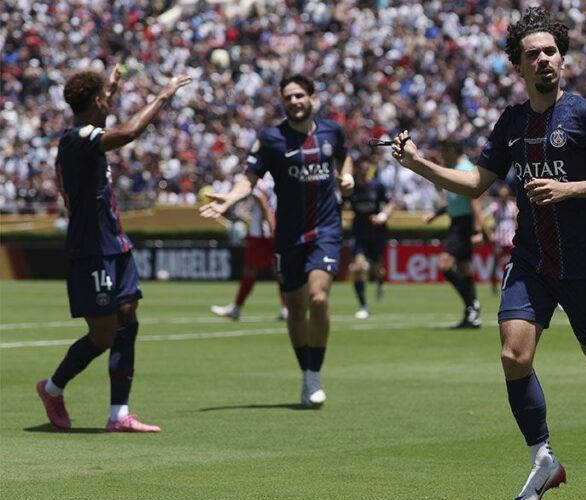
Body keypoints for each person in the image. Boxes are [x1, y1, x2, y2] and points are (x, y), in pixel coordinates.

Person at [390, 6, 586, 500]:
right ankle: (543, 458)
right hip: (531, 260)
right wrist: (419, 163)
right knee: (513, 355)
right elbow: (476, 183)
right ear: (519, 66)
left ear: (562, 59)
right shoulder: (510, 123)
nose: (544, 59)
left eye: (551, 51)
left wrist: (568, 188)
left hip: (585, 265)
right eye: (533, 54)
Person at [36, 66, 191, 432]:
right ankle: (52, 388)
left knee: (127, 316)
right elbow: (129, 132)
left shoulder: (85, 132)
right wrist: (163, 95)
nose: (109, 103)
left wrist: (111, 88)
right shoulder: (77, 139)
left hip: (115, 243)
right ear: (96, 102)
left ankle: (119, 414)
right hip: (91, 249)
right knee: (104, 334)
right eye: (105, 99)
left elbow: (101, 115)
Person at [200, 73, 354, 407]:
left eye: (300, 95)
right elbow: (249, 179)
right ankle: (305, 374)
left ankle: (315, 374)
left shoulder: (331, 131)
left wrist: (347, 175)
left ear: (312, 97)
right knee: (296, 308)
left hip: (326, 230)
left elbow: (344, 156)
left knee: (318, 298)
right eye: (288, 97)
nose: (294, 101)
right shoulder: (271, 139)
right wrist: (229, 199)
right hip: (288, 235)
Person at [422, 141, 486, 328]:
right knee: (464, 268)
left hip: (464, 224)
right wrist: (435, 214)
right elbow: (453, 202)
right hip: (457, 223)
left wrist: (477, 230)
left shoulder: (465, 169)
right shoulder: (456, 169)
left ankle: (472, 304)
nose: (442, 155)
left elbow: (475, 203)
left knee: (444, 264)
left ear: (451, 150)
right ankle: (471, 314)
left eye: (443, 151)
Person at [210, 173, 289, 321]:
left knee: (252, 270)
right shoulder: (279, 176)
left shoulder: (260, 178)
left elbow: (263, 202)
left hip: (261, 232)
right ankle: (286, 308)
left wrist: (271, 226)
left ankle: (237, 308)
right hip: (275, 228)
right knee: (279, 270)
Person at [344, 158, 395, 319]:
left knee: (376, 269)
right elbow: (341, 203)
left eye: (367, 169)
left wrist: (382, 216)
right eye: (362, 169)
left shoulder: (377, 186)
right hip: (359, 233)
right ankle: (363, 306)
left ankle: (380, 281)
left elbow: (391, 204)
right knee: (358, 268)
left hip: (376, 233)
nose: (364, 172)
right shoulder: (351, 188)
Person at [486, 183, 518, 295]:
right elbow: (483, 218)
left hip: (510, 238)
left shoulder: (512, 206)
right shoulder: (495, 206)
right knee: (496, 263)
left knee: (515, 261)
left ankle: (514, 283)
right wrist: (490, 233)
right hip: (499, 238)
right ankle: (494, 285)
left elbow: (517, 219)